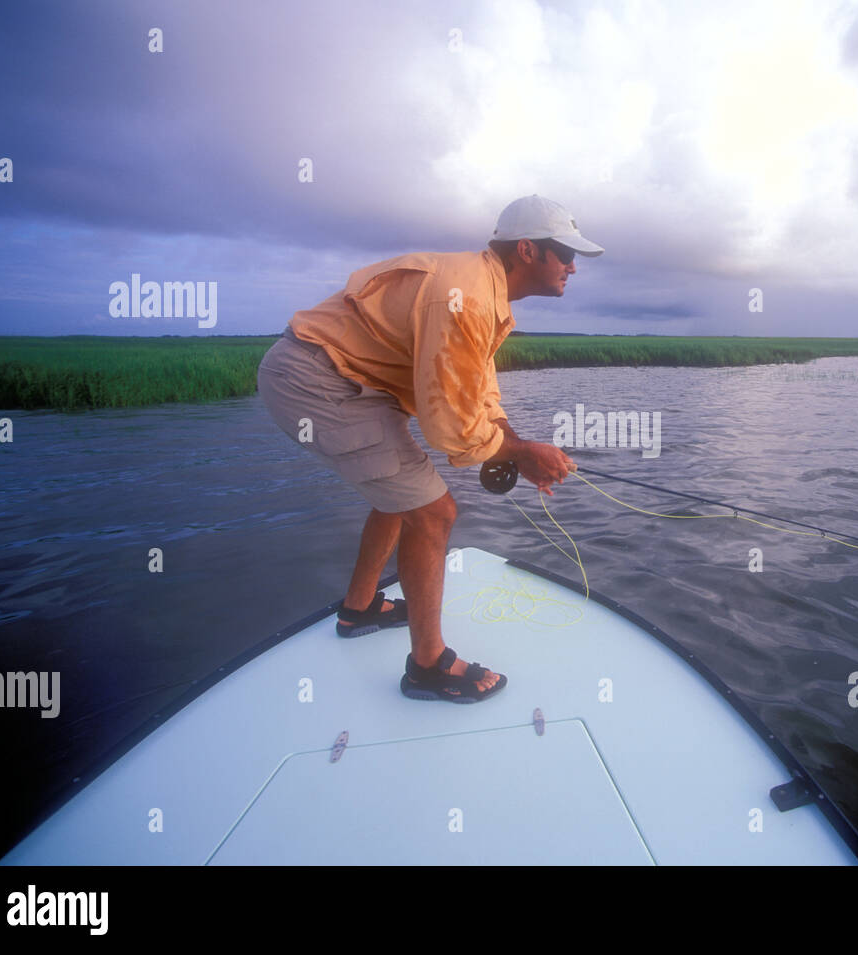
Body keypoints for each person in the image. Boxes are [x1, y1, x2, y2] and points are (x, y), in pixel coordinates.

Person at [256, 195, 603, 703]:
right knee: (434, 512)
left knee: (400, 493)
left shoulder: (483, 291)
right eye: (564, 253)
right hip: (316, 381)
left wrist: (512, 441)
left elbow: (478, 386)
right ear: (528, 250)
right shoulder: (467, 296)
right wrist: (523, 454)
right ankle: (427, 667)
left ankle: (358, 610)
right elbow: (454, 432)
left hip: (340, 378)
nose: (573, 266)